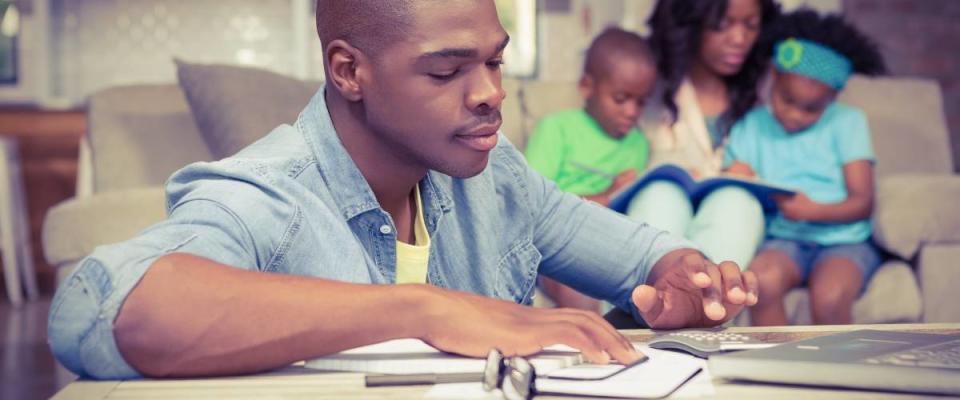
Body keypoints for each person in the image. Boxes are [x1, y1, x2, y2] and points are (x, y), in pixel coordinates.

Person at [47, 0, 759, 380]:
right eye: (446, 72)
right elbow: (107, 309)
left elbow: (640, 255)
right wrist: (423, 310)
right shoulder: (273, 192)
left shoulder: (494, 172)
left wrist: (686, 280)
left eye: (494, 61)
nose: (490, 94)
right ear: (349, 71)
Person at [723, 9, 886, 325]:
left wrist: (813, 211)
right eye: (787, 99)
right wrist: (737, 177)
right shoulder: (751, 125)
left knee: (829, 295)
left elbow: (863, 203)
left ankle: (837, 375)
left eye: (811, 109)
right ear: (773, 75)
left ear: (833, 96)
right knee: (763, 281)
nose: (795, 115)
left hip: (845, 240)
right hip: (783, 239)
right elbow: (735, 187)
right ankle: (776, 368)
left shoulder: (848, 122)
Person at [624, 0, 781, 271]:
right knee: (660, 196)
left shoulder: (776, 90)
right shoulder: (647, 82)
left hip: (734, 214)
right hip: (661, 205)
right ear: (689, 23)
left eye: (751, 25)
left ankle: (704, 309)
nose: (739, 39)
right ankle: (644, 308)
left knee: (738, 202)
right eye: (721, 25)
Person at [523, 27, 657, 312]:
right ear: (587, 87)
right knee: (578, 291)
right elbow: (531, 206)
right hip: (554, 245)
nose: (632, 112)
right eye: (621, 99)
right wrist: (607, 196)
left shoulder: (638, 143)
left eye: (641, 102)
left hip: (609, 242)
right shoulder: (557, 128)